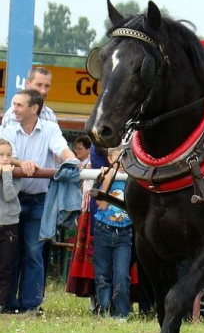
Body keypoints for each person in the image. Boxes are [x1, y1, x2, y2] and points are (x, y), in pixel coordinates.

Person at [1, 89, 77, 313]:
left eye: (18, 105)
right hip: (10, 201)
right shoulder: (9, 129)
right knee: (10, 253)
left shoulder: (51, 129)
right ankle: (8, 303)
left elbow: (63, 150)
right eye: (14, 104)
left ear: (34, 109)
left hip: (38, 201)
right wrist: (23, 162)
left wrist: (76, 164)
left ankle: (31, 305)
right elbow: (3, 152)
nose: (13, 109)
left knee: (34, 252)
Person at [92, 147, 133, 318]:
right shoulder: (107, 178)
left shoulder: (132, 179)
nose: (122, 164)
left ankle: (121, 312)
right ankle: (103, 309)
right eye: (118, 159)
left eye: (125, 159)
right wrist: (108, 177)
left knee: (122, 275)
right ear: (110, 159)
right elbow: (101, 205)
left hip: (124, 232)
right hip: (104, 229)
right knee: (102, 274)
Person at [0, 139, 20, 313]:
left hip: (9, 225)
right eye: (1, 155)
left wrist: (7, 175)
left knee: (5, 267)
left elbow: (9, 195)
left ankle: (2, 303)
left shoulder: (15, 174)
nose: (5, 159)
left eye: (9, 155)